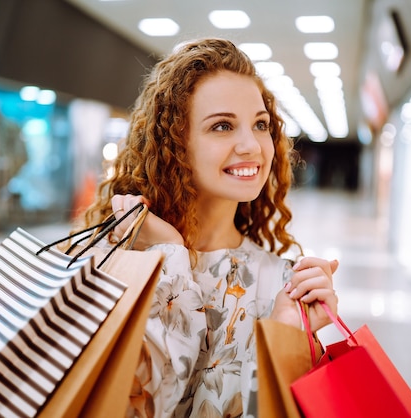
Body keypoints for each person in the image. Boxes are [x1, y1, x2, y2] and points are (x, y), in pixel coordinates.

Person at [72, 37, 339, 418]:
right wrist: (167, 253)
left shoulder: (281, 286)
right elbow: (133, 405)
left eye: (260, 125)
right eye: (222, 126)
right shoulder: (117, 258)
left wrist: (288, 334)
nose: (252, 145)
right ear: (175, 143)